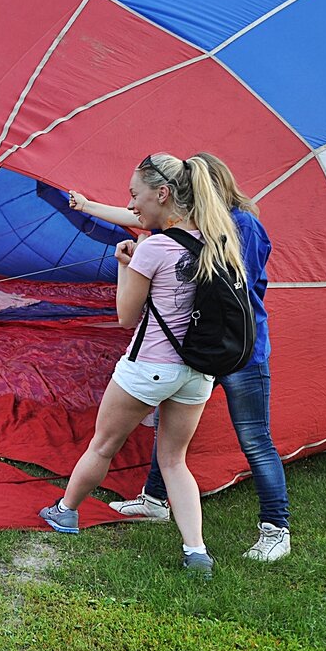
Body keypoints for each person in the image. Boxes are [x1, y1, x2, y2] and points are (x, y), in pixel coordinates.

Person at [68, 152, 290, 561]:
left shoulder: (238, 226)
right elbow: (140, 214)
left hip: (240, 348)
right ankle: (157, 505)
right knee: (172, 437)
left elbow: (243, 289)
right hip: (195, 350)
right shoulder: (195, 230)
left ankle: (276, 526)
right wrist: (87, 206)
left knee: (255, 440)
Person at [38, 153, 247, 580]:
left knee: (102, 445)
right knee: (174, 460)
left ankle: (64, 512)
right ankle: (196, 550)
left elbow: (125, 316)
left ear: (163, 194)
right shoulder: (218, 242)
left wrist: (124, 265)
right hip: (197, 372)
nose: (132, 204)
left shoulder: (154, 247)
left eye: (136, 195)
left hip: (150, 366)